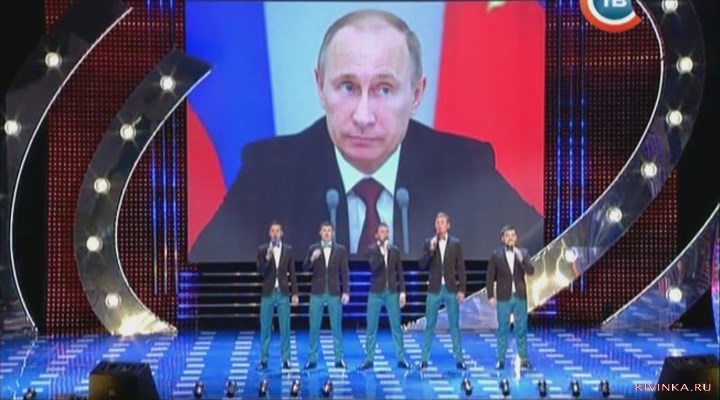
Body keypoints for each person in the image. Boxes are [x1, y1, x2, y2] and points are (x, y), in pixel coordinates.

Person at [189, 8, 543, 263]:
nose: (363, 116)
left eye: (384, 89)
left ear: (416, 94)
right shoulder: (268, 173)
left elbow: (544, 259)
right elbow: (203, 286)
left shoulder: (465, 169)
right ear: (320, 86)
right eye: (347, 87)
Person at [358, 223, 410, 370]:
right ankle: (369, 359)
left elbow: (399, 272)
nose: (384, 234)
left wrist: (403, 292)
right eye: (381, 232)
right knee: (371, 327)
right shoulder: (371, 250)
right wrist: (383, 253)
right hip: (375, 293)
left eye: (386, 232)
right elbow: (374, 267)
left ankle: (401, 358)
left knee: (396, 326)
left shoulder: (395, 250)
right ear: (376, 235)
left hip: (391, 292)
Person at [418, 212, 466, 370]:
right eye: (437, 222)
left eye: (442, 222)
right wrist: (431, 250)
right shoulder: (428, 243)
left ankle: (459, 359)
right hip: (434, 289)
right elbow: (422, 265)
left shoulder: (456, 243)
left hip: (451, 289)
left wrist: (462, 289)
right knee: (430, 324)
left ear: (448, 225)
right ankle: (424, 359)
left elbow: (461, 268)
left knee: (454, 325)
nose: (439, 225)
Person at [303, 222, 350, 369]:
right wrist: (312, 258)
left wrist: (346, 291)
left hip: (334, 292)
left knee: (336, 327)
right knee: (314, 327)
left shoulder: (341, 250)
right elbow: (305, 268)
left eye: (329, 230)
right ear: (320, 233)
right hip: (317, 292)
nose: (327, 233)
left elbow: (344, 272)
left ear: (333, 233)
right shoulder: (313, 248)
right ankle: (312, 359)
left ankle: (339, 359)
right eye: (324, 230)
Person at [487, 225, 535, 370]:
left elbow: (531, 271)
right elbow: (490, 277)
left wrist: (522, 260)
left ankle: (524, 359)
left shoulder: (523, 253)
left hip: (520, 296)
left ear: (516, 238)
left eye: (513, 235)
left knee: (521, 328)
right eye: (507, 236)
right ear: (502, 239)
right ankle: (501, 360)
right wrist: (490, 295)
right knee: (503, 329)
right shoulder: (496, 255)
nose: (510, 238)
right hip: (503, 297)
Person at [255, 221, 299, 371]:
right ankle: (263, 359)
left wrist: (295, 293)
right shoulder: (262, 249)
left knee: (285, 327)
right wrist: (267, 258)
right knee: (265, 328)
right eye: (272, 231)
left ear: (282, 233)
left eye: (277, 231)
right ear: (269, 233)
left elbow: (292, 272)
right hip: (268, 293)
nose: (275, 234)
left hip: (283, 293)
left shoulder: (288, 250)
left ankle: (286, 359)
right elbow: (260, 271)